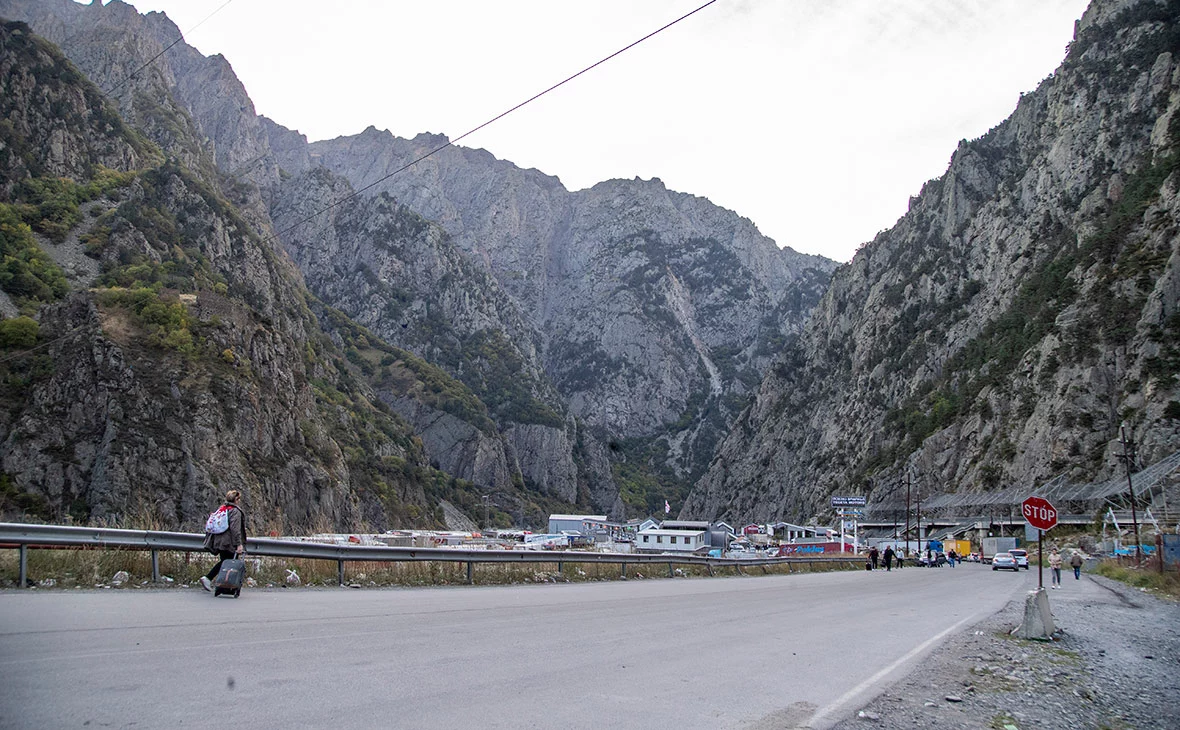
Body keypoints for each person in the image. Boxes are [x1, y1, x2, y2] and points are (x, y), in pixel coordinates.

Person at [200, 490, 247, 592]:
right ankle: (211, 579)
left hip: (219, 540)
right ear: (236, 499)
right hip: (228, 542)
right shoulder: (235, 511)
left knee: (224, 562)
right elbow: (235, 529)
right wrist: (239, 544)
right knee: (228, 563)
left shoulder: (223, 508)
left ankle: (221, 583)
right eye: (238, 499)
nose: (239, 501)